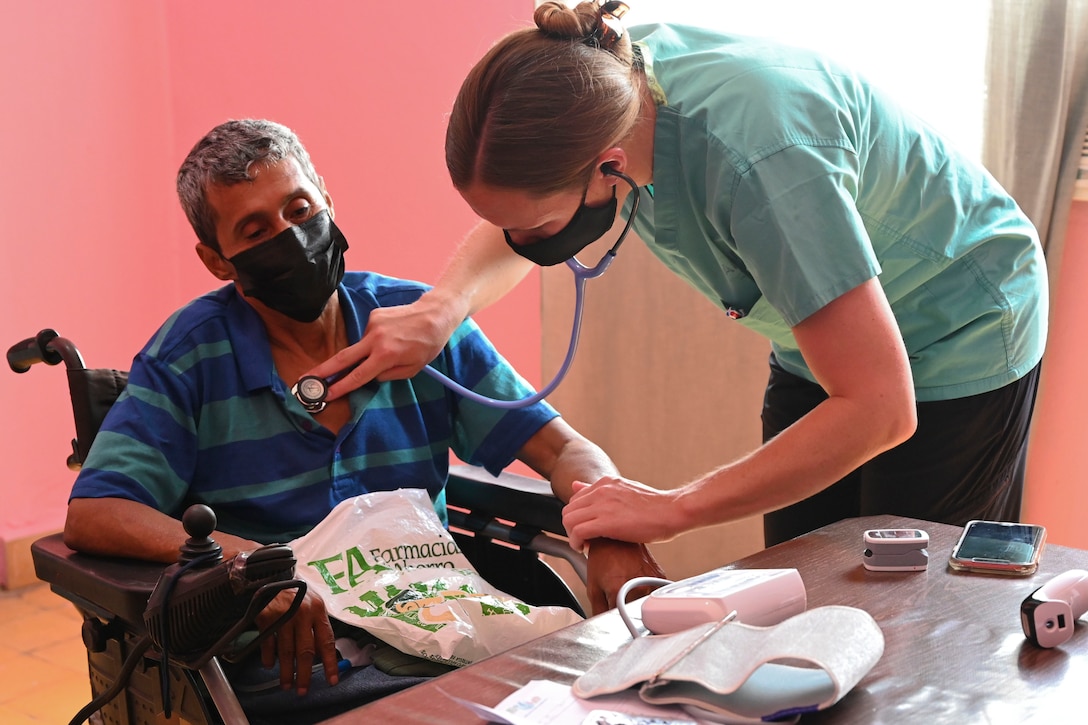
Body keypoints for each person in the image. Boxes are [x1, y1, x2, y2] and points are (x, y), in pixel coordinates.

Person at [304, 1, 1048, 553]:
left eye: (536, 230)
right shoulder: (602, 83)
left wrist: (675, 506)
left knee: (906, 604)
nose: (523, 245)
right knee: (808, 585)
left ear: (608, 168)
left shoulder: (763, 162)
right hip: (823, 339)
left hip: (960, 322)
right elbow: (511, 222)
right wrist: (444, 308)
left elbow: (881, 406)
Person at [63, 118, 663, 709]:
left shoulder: (419, 326)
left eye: (299, 210)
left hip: (441, 630)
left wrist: (608, 527)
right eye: (254, 230)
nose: (291, 237)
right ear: (218, 260)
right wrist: (250, 572)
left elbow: (563, 450)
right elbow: (96, 512)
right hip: (294, 663)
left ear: (325, 195)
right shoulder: (192, 355)